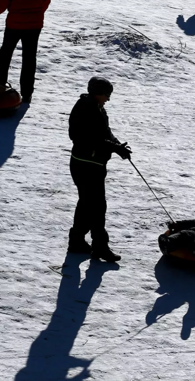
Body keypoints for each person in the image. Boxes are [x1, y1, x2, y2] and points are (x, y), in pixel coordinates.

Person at [67, 77, 132, 262]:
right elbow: (87, 138)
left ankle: (77, 241)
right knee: (97, 206)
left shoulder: (97, 108)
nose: (108, 99)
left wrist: (119, 146)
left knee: (87, 204)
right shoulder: (85, 108)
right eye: (106, 95)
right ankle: (100, 247)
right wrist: (113, 147)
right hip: (85, 164)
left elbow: (105, 133)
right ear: (97, 92)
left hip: (94, 164)